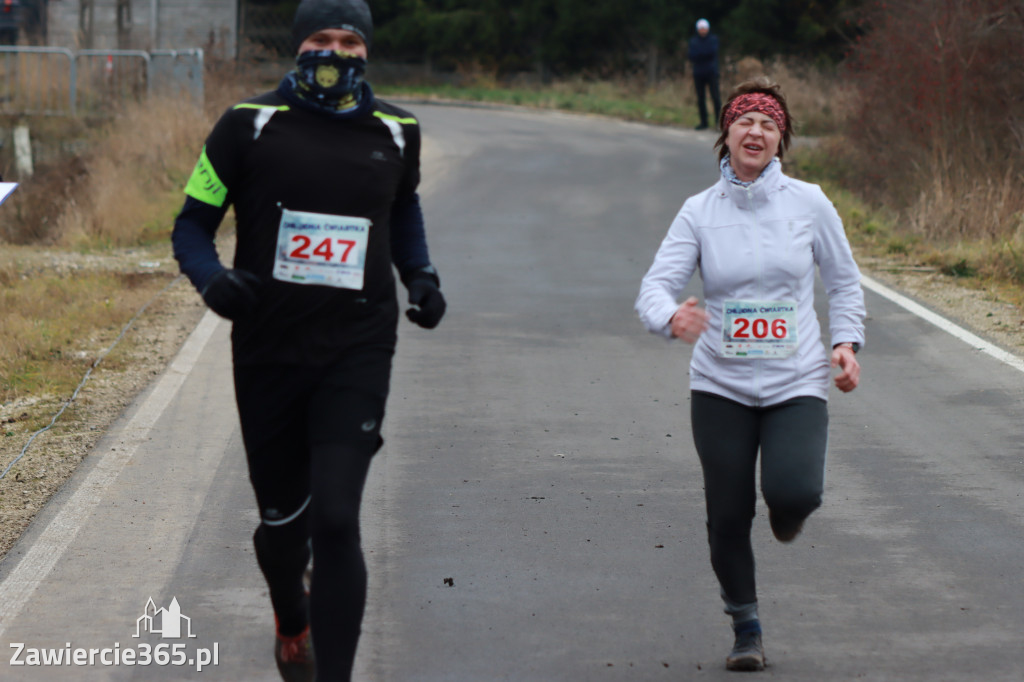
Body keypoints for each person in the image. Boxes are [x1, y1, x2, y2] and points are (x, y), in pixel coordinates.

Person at [171, 0, 446, 679]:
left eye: (348, 40)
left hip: (357, 345)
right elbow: (191, 224)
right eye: (321, 38)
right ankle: (291, 614)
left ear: (366, 51)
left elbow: (402, 204)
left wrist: (421, 274)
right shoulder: (247, 124)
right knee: (282, 527)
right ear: (298, 46)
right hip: (268, 346)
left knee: (336, 517)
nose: (335, 51)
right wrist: (211, 280)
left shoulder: (398, 129)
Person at [635, 79, 865, 671]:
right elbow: (654, 290)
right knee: (729, 515)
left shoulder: (810, 203)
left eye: (767, 123)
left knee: (795, 494)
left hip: (796, 380)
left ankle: (787, 513)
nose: (755, 132)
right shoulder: (699, 212)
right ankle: (746, 627)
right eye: (745, 122)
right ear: (727, 134)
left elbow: (842, 282)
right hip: (720, 385)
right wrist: (671, 317)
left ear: (781, 136)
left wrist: (845, 343)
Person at [688, 18, 722, 131]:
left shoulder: (713, 39)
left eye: (704, 28)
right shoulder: (694, 41)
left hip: (711, 72)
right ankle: (704, 122)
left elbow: (711, 52)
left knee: (715, 97)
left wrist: (700, 53)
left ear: (708, 29)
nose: (703, 30)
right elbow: (692, 55)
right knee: (700, 98)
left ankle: (719, 122)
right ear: (698, 29)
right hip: (698, 73)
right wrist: (703, 53)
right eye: (701, 28)